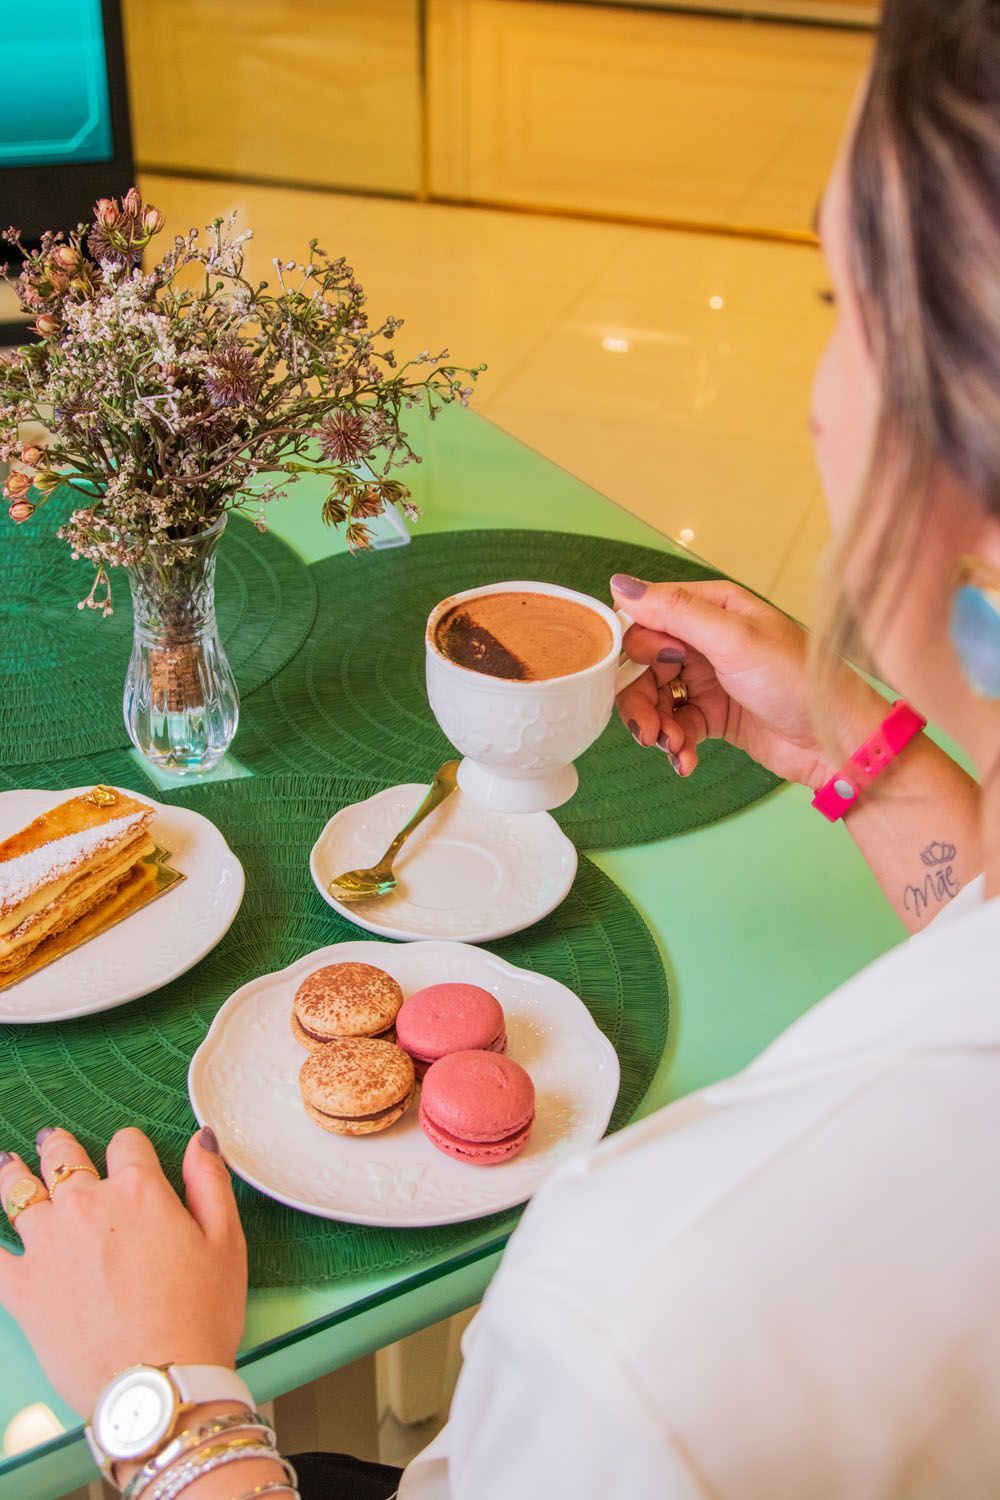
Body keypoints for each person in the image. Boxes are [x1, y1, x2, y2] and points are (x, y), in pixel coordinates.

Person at [2, 0, 998, 1495]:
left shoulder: (650, 1327)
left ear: (956, 452)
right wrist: (875, 763)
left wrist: (167, 1406)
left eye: (840, 302)